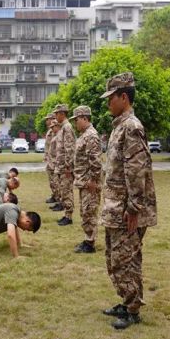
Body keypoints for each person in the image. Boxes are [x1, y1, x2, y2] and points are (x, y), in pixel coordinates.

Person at [99, 72, 157, 330]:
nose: (108, 102)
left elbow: (136, 170)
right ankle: (125, 299)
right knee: (115, 259)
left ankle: (133, 309)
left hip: (126, 210)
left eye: (111, 97)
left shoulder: (131, 127)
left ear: (124, 97)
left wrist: (134, 208)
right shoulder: (119, 126)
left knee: (127, 260)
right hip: (115, 208)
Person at [71, 105, 103, 253]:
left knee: (89, 212)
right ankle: (87, 240)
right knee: (85, 211)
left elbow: (95, 161)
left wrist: (93, 180)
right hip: (84, 181)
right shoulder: (84, 135)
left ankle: (90, 244)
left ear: (85, 118)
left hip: (90, 182)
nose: (75, 123)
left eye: (77, 119)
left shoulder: (91, 136)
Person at [53, 104, 76, 226]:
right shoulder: (63, 128)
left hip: (65, 167)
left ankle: (69, 216)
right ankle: (66, 214)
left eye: (57, 113)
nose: (55, 116)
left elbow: (70, 148)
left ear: (62, 113)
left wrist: (68, 166)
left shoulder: (67, 127)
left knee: (67, 190)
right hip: (61, 166)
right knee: (63, 190)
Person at [43, 113, 58, 204]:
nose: (46, 121)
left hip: (55, 159)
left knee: (55, 180)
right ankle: (54, 195)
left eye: (48, 119)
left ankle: (58, 197)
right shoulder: (50, 130)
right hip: (50, 159)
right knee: (51, 179)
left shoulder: (56, 130)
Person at [47, 120, 62, 210]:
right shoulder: (56, 136)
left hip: (56, 164)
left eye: (53, 127)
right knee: (55, 183)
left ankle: (60, 202)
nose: (52, 129)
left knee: (58, 184)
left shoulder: (59, 136)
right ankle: (58, 201)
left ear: (57, 126)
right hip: (53, 163)